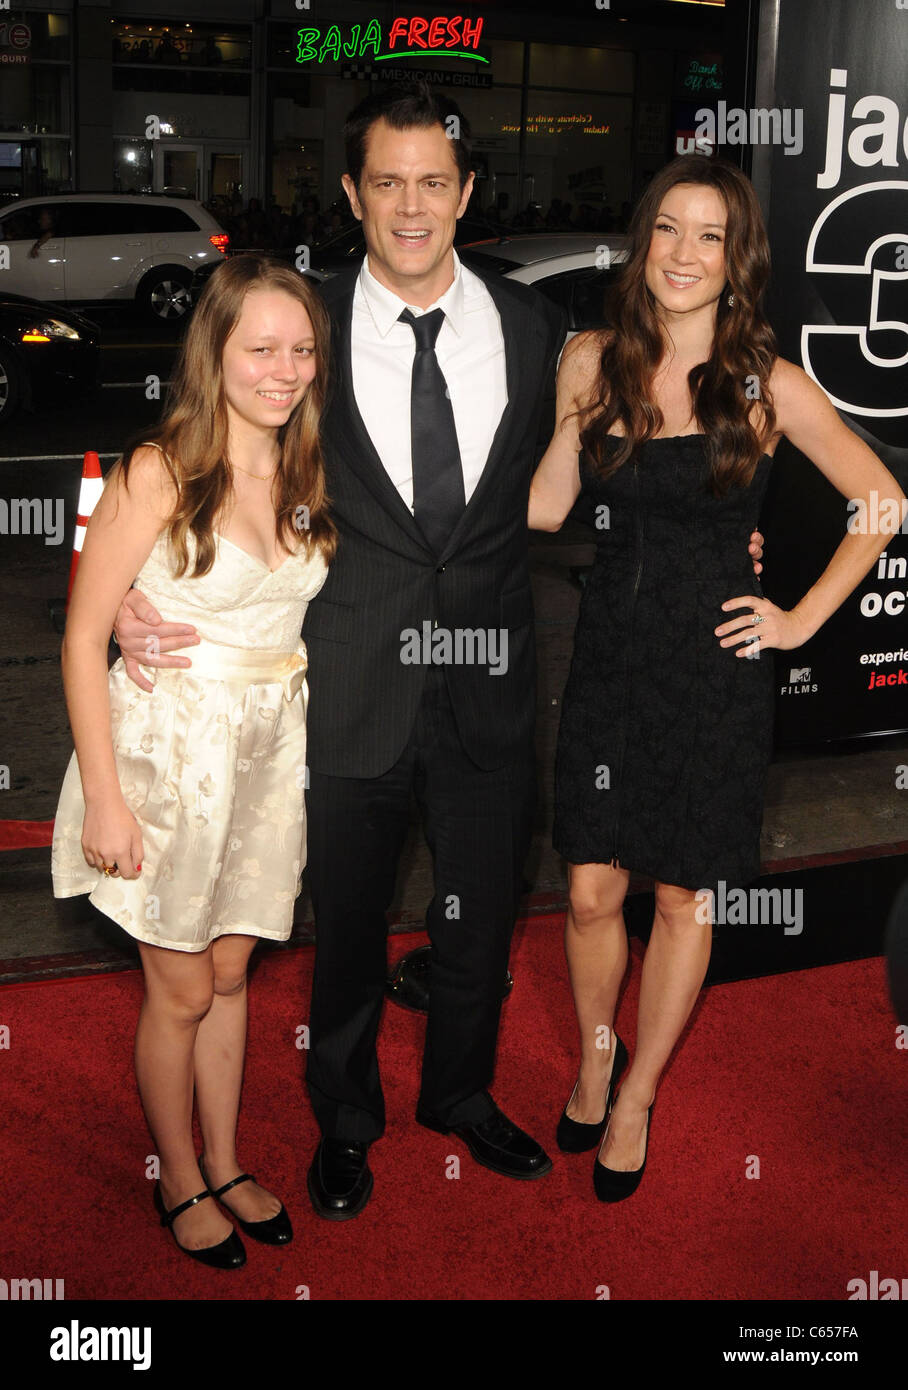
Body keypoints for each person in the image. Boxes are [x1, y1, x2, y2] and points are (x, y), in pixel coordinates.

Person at [112, 88, 764, 1220]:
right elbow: (191, 447)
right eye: (385, 182)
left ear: (465, 194)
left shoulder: (534, 335)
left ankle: (459, 1092)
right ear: (355, 194)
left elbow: (628, 464)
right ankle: (346, 1120)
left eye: (433, 182)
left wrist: (731, 537)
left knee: (478, 915)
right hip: (347, 678)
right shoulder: (299, 321)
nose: (409, 206)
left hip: (490, 678)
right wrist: (123, 592)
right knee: (348, 928)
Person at [528, 153, 905, 1202]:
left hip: (713, 671)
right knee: (592, 889)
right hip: (607, 657)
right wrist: (573, 409)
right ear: (641, 241)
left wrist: (795, 620)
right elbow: (544, 511)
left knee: (685, 897)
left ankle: (639, 1092)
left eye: (709, 236)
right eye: (666, 230)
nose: (684, 254)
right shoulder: (589, 357)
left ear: (737, 260)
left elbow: (879, 500)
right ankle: (596, 1050)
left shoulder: (764, 382)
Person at [52, 256, 335, 1262]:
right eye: (260, 347)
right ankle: (176, 1175)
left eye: (301, 348)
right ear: (211, 353)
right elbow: (84, 638)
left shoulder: (306, 470)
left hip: (264, 764)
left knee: (228, 973)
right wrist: (107, 803)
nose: (283, 368)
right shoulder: (157, 471)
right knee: (176, 989)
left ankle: (223, 1157)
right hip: (166, 761)